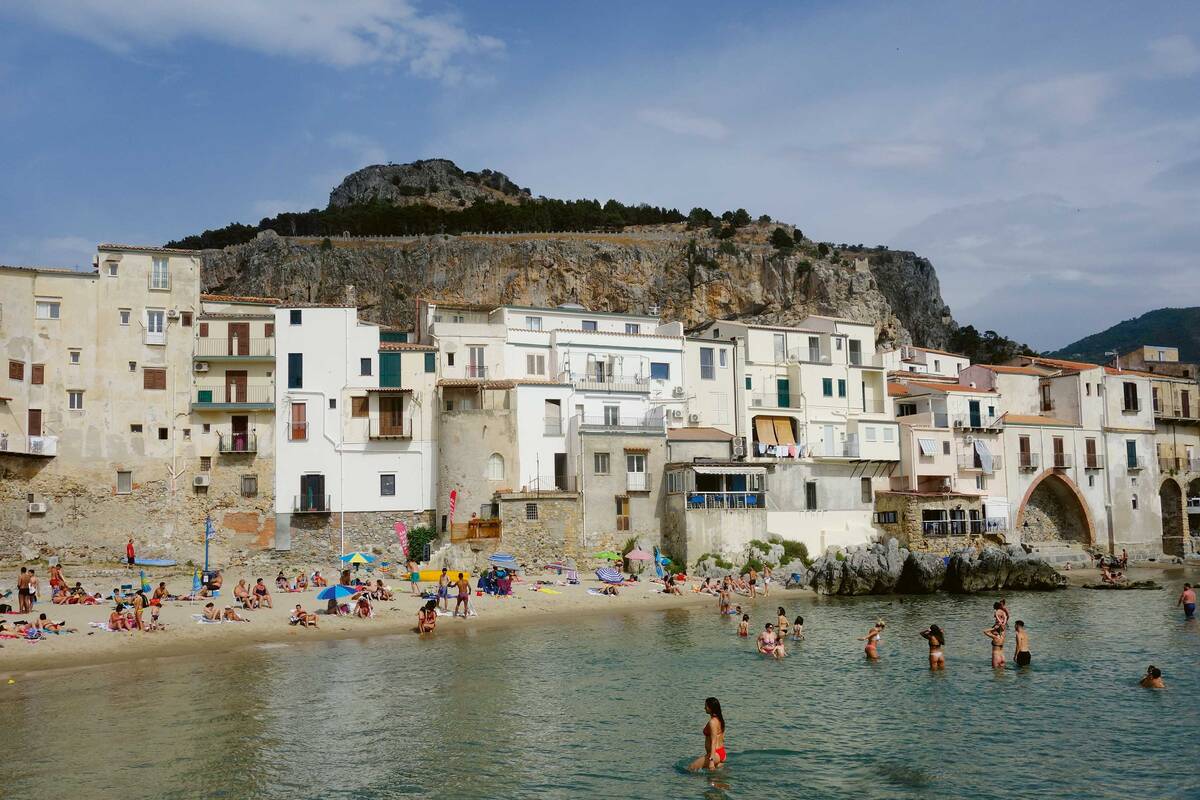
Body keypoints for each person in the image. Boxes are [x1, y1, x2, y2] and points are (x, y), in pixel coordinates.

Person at [688, 697, 727, 772]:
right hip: (721, 753)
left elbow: (713, 742)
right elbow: (722, 738)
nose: (704, 708)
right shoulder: (720, 720)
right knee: (715, 778)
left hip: (715, 755)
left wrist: (711, 761)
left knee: (691, 768)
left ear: (711, 708)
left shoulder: (712, 722)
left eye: (706, 706)